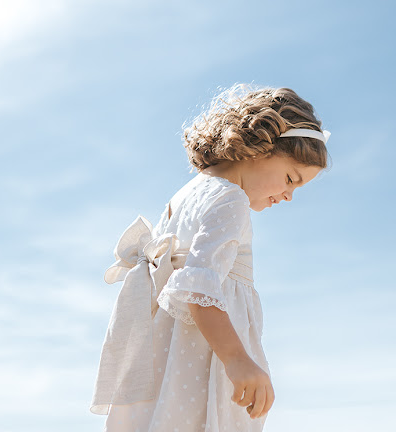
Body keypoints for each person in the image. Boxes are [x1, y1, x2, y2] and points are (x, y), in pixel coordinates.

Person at [91, 85, 330, 432]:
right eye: (291, 178)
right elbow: (198, 288)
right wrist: (238, 360)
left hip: (165, 357)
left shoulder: (187, 192)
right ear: (260, 148)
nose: (289, 195)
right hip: (201, 359)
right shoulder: (232, 201)